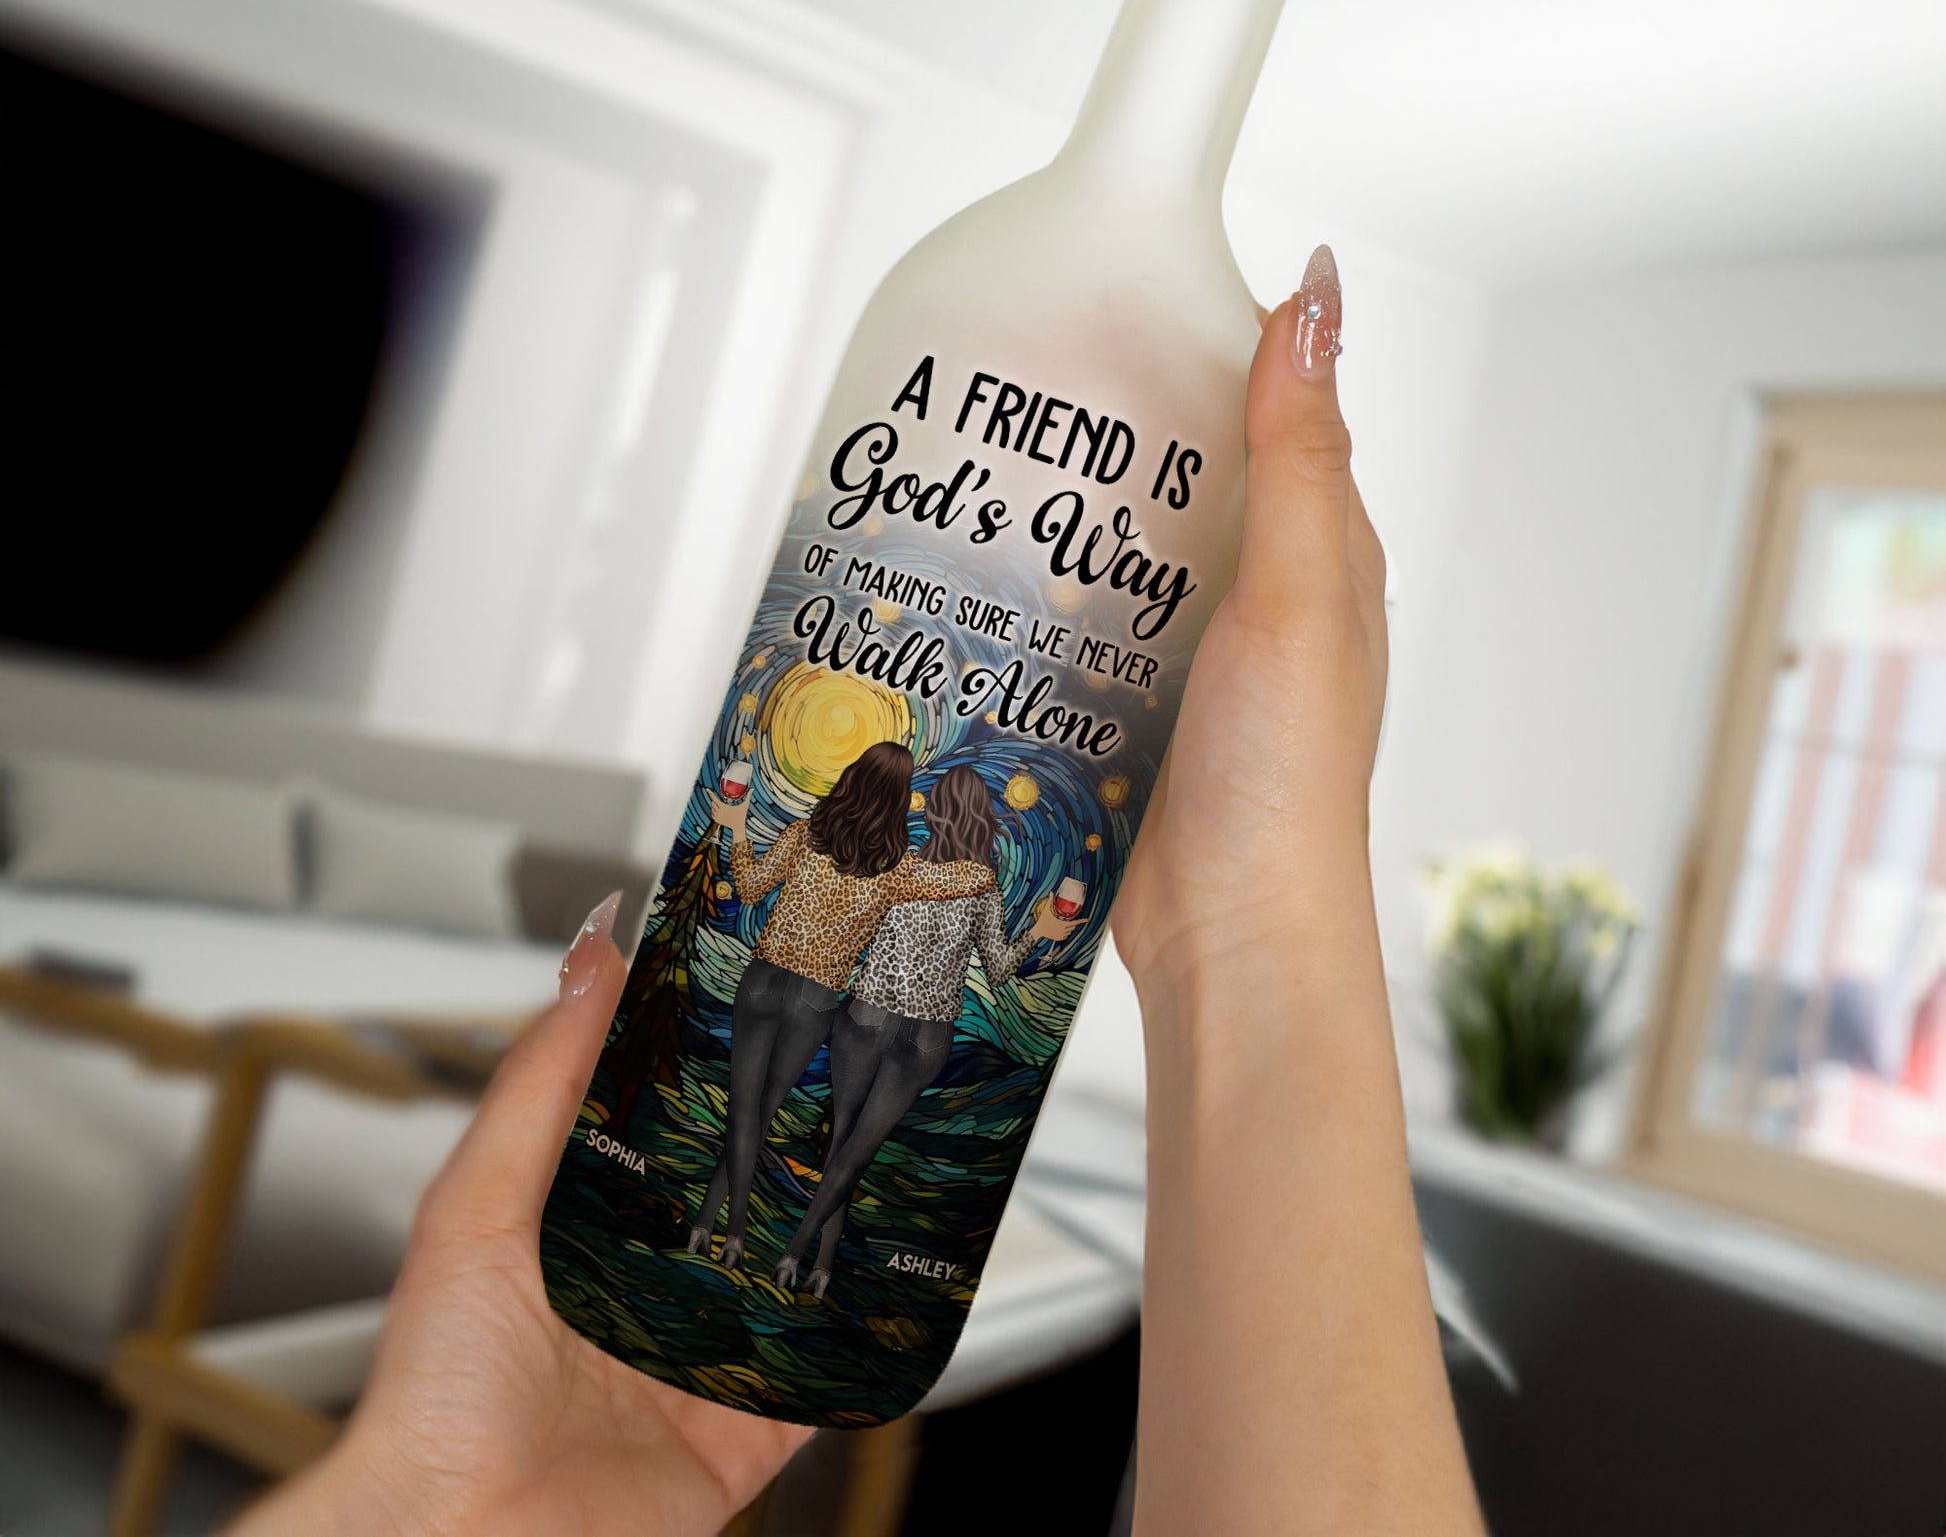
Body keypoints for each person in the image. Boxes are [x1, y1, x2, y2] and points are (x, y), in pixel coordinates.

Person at [231, 247, 1484, 1537]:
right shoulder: (923, 871)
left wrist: (740, 826)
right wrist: (1070, 931)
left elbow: (759, 874)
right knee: (853, 1147)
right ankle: (811, 1238)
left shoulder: (846, 856)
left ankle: (724, 1212)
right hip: (893, 1017)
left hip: (795, 983)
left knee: (752, 1109)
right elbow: (989, 955)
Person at [774, 764, 1080, 1295]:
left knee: (842, 1140)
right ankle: (813, 1262)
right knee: (858, 1152)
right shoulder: (982, 886)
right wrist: (1039, 932)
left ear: (935, 811)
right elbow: (1000, 969)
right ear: (981, 819)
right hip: (928, 1035)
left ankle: (799, 1256)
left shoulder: (899, 867)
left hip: (867, 1014)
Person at [689, 742, 989, 1270]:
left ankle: (716, 1228)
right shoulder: (897, 870)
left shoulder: (805, 833)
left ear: (850, 777)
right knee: (764, 1109)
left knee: (742, 1109)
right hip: (816, 998)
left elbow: (751, 888)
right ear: (901, 800)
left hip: (762, 979)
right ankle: (734, 1240)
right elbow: (976, 879)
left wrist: (737, 827)